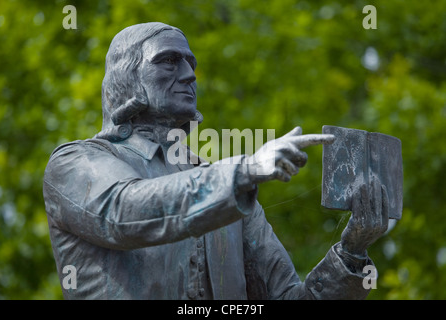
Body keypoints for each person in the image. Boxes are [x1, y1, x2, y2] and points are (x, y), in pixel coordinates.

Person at [43, 22, 389, 299]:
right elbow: (123, 212)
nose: (190, 74)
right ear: (127, 76)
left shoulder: (231, 191)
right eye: (168, 61)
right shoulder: (75, 163)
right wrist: (245, 170)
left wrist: (351, 252)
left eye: (190, 63)